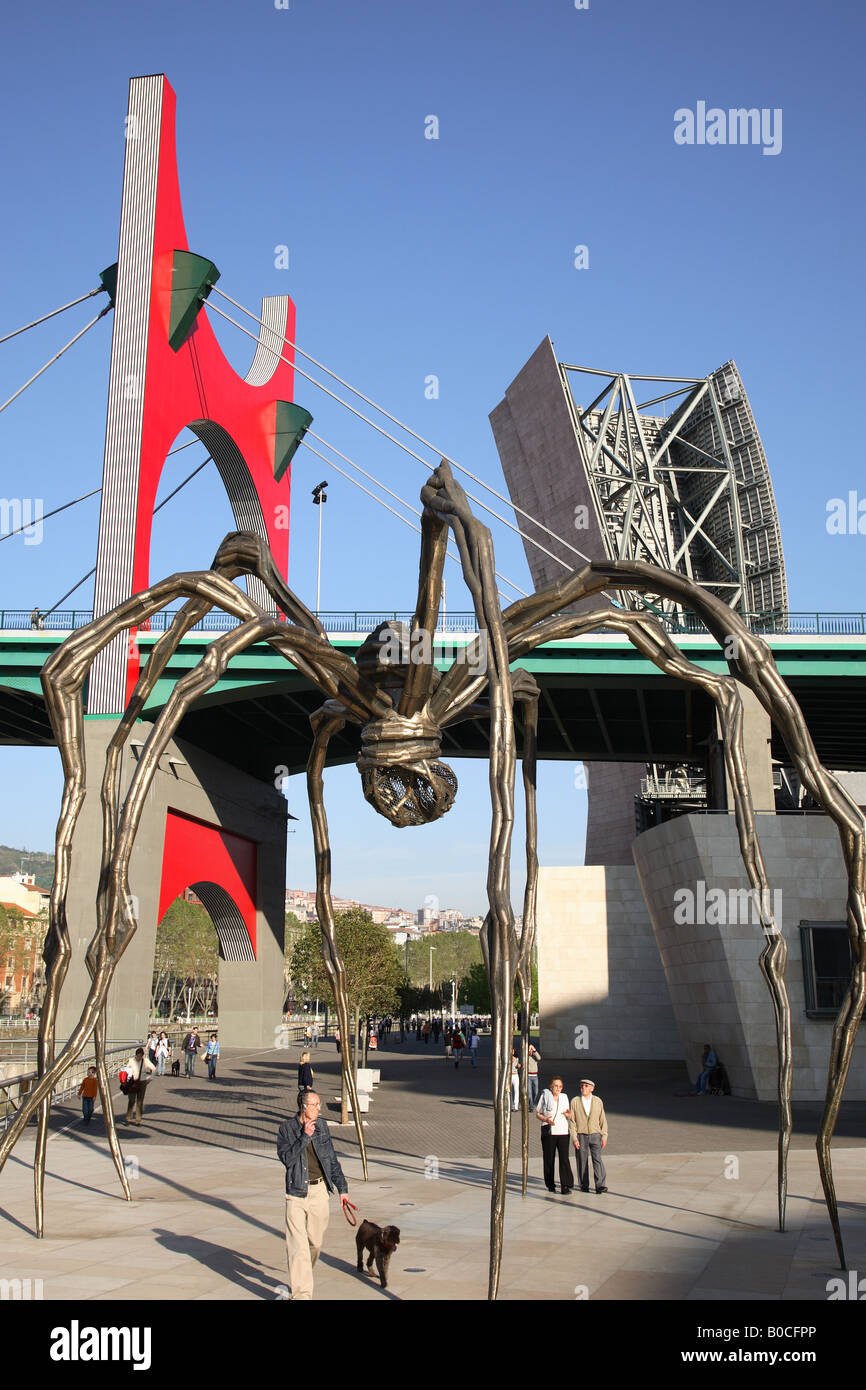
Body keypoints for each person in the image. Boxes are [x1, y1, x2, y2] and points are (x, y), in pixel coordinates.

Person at [277, 1090, 352, 1300]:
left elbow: (331, 1158)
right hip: (296, 1193)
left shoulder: (322, 1127)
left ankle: (302, 1274)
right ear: (303, 1107)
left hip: (319, 1190)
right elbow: (287, 1159)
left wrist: (342, 1189)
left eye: (318, 1104)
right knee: (297, 1247)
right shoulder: (287, 1129)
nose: (319, 1108)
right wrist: (304, 1137)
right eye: (315, 1104)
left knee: (315, 1243)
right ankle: (302, 1294)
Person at [567, 1079, 608, 1194]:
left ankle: (600, 1185)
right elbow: (572, 1121)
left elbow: (603, 1120)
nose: (583, 1088)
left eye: (586, 1086)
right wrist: (574, 1138)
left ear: (592, 1088)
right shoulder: (575, 1101)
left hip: (595, 1134)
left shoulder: (597, 1101)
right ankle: (584, 1184)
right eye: (582, 1086)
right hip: (581, 1135)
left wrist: (604, 1136)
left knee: (597, 1159)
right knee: (581, 1160)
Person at [536, 1076, 573, 1194]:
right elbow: (538, 1113)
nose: (558, 1088)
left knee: (564, 1159)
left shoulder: (564, 1097)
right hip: (549, 1132)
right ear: (551, 1087)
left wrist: (568, 1115)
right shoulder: (545, 1096)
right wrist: (546, 1119)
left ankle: (565, 1185)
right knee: (549, 1158)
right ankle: (550, 1184)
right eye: (556, 1086)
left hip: (562, 1131)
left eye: (560, 1086)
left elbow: (569, 1114)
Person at [123, 1047, 156, 1125]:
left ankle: (138, 1119)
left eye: (140, 1056)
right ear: (136, 1055)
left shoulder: (145, 1061)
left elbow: (154, 1069)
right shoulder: (131, 1061)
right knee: (131, 1100)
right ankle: (128, 1118)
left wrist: (150, 1079)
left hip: (142, 1082)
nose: (139, 1057)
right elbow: (126, 1070)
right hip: (132, 1082)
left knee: (140, 1101)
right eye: (138, 1056)